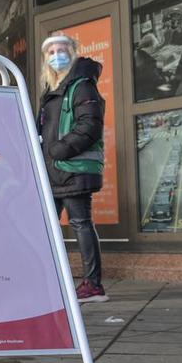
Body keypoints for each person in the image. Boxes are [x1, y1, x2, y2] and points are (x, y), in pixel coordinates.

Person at [37, 33, 108, 303]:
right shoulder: (52, 90)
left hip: (73, 168)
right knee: (46, 228)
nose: (57, 55)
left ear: (73, 52)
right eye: (51, 51)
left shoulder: (82, 86)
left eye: (62, 49)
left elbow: (90, 126)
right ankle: (49, 280)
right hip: (53, 171)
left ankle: (93, 285)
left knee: (80, 223)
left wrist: (58, 150)